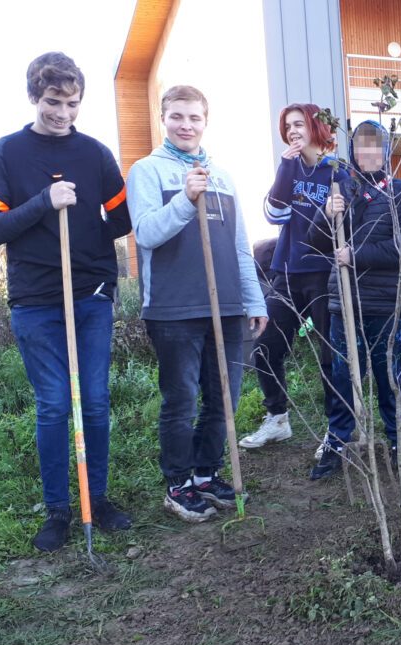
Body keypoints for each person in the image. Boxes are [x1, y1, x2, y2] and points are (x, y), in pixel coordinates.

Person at [0, 52, 133, 552]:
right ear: (33, 97)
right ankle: (58, 511)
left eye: (71, 103)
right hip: (36, 301)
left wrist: (92, 232)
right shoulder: (6, 153)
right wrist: (45, 202)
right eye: (52, 101)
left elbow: (122, 219)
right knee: (52, 406)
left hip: (89, 294)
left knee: (93, 400)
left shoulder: (95, 154)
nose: (62, 112)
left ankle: (100, 499)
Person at [126, 85, 268, 523]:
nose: (186, 125)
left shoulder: (222, 176)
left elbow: (240, 246)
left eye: (195, 118)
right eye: (177, 117)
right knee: (181, 399)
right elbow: (147, 233)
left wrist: (253, 297)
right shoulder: (147, 171)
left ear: (206, 121)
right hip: (175, 309)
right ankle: (178, 483)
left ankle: (206, 474)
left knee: (224, 397)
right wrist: (186, 200)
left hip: (225, 306)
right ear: (163, 118)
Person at [307, 121, 401, 480]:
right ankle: (337, 441)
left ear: (386, 152)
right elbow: (316, 243)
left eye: (375, 146)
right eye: (361, 146)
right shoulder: (342, 192)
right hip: (345, 303)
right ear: (354, 151)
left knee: (390, 378)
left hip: (386, 306)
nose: (368, 152)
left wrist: (354, 255)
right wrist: (326, 214)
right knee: (342, 377)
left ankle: (398, 441)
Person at [241, 103, 349, 453]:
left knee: (329, 354)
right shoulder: (289, 168)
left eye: (299, 124)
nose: (292, 131)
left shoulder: (337, 172)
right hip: (287, 272)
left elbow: (346, 226)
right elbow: (275, 213)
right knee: (266, 345)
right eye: (288, 126)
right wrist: (287, 167)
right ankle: (277, 419)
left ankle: (337, 430)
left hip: (323, 275)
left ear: (316, 127)